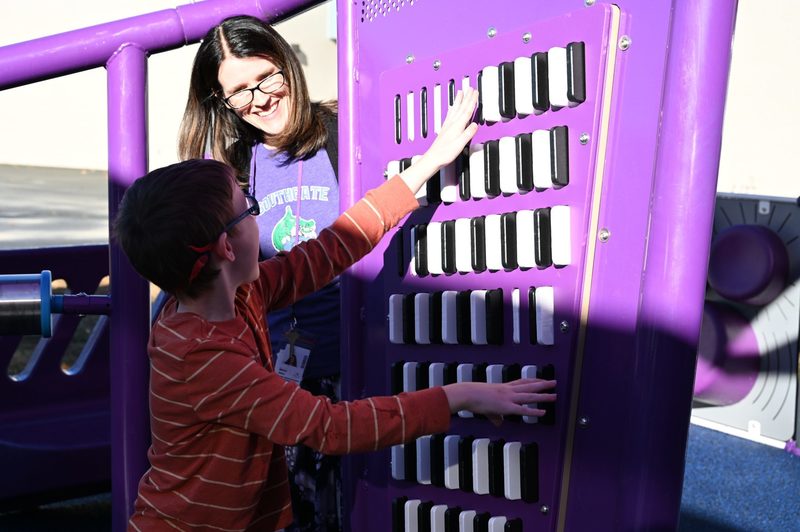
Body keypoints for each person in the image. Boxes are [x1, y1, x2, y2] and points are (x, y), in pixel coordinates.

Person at [115, 87, 557, 531]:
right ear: (228, 247)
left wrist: (425, 166)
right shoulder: (204, 356)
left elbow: (327, 251)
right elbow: (331, 426)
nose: (257, 216)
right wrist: (460, 395)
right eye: (248, 209)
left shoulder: (234, 294)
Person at [178, 15, 345, 530]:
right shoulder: (227, 165)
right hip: (273, 379)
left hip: (357, 360)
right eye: (238, 92)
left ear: (287, 64)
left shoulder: (348, 129)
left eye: (266, 77)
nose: (259, 99)